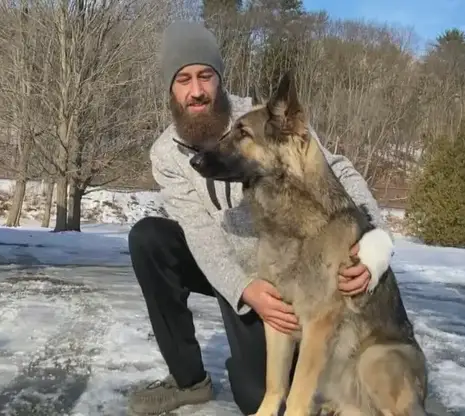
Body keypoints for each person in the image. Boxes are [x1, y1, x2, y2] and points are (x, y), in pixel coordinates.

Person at [126, 21, 394, 416]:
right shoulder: (165, 154)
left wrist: (378, 239)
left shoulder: (266, 119)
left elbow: (336, 169)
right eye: (183, 79)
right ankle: (189, 382)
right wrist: (244, 288)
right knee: (148, 238)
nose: (196, 90)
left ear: (219, 79)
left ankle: (352, 365)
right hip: (231, 271)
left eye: (205, 76)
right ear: (170, 89)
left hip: (285, 266)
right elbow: (199, 233)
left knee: (256, 396)